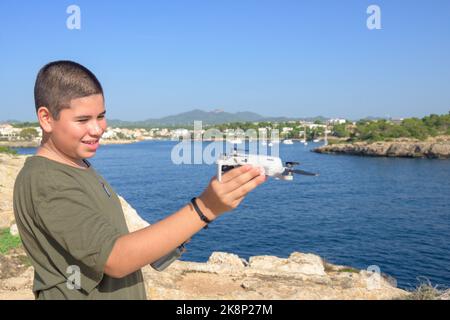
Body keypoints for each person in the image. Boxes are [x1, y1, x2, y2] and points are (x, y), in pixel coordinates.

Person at [13, 60, 267, 300]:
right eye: (83, 120)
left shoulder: (77, 166)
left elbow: (120, 247)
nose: (98, 128)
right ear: (46, 118)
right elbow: (116, 258)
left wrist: (200, 217)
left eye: (101, 116)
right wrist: (205, 207)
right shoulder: (46, 180)